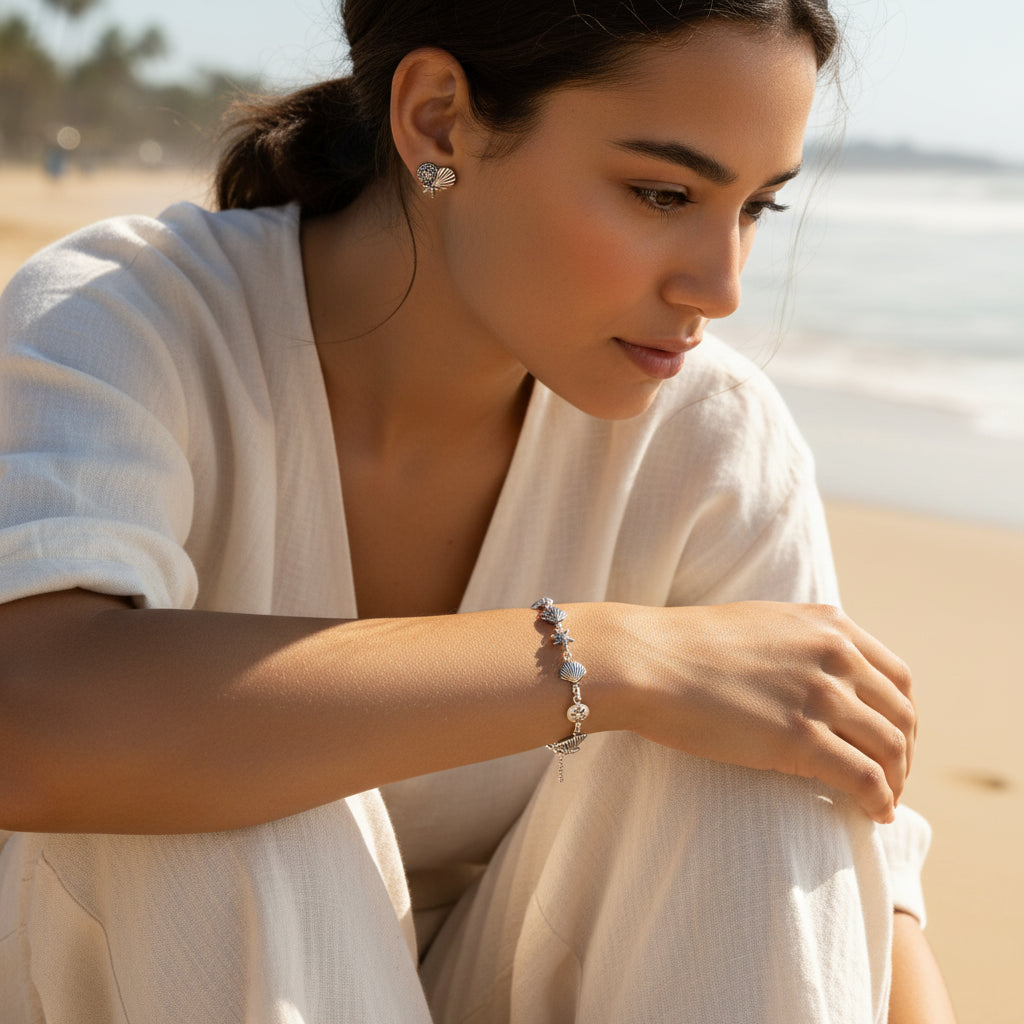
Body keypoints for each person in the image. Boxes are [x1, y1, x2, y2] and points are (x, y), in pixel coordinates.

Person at [0, 0, 956, 1020]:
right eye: (662, 191)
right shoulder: (127, 317)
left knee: (766, 760)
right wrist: (612, 656)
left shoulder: (710, 436)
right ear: (438, 121)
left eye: (755, 207)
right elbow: (30, 718)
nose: (720, 285)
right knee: (217, 780)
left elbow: (849, 879)